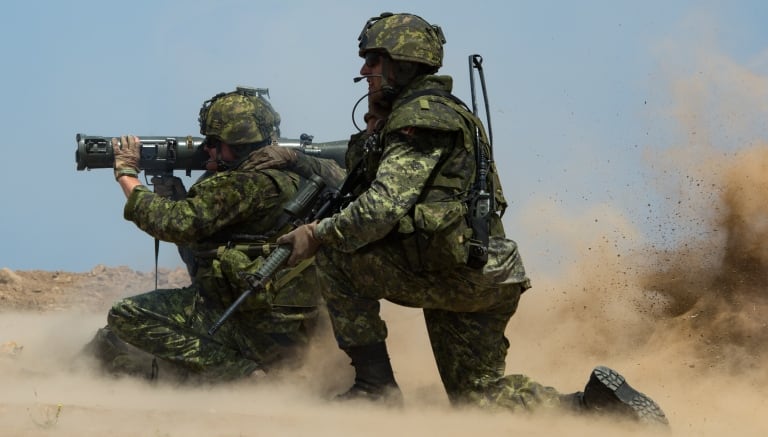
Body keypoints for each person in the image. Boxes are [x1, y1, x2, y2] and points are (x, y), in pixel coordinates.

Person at [277, 12, 669, 426]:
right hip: (481, 274)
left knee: (336, 258)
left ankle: (375, 391)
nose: (364, 71)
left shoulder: (421, 117)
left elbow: (381, 208)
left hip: (455, 273)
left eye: (373, 61)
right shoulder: (430, 113)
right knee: (480, 401)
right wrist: (370, 132)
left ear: (402, 63)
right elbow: (369, 183)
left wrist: (317, 233)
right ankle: (598, 410)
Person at [85, 87, 345, 382]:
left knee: (126, 315)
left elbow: (173, 223)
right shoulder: (300, 175)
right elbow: (208, 239)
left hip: (249, 324)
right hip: (296, 330)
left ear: (235, 144)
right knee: (112, 343)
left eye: (214, 142)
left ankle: (244, 374)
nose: (207, 148)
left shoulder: (243, 184)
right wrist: (181, 199)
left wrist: (127, 175)